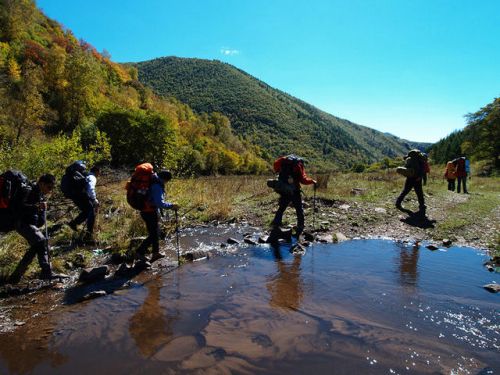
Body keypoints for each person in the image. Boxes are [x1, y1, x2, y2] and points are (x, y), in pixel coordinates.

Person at [5, 174, 63, 283]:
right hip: (21, 223)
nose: (50, 190)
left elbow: (38, 216)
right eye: (49, 187)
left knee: (35, 248)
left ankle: (14, 278)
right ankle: (47, 272)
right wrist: (37, 207)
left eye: (52, 188)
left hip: (29, 224)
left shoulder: (39, 194)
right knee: (42, 242)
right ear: (41, 183)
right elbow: (18, 208)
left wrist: (41, 212)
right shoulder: (27, 190)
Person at [136, 169, 178, 262]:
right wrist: (172, 206)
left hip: (146, 211)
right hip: (149, 212)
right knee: (154, 234)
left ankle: (155, 253)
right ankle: (139, 252)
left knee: (155, 233)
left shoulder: (153, 182)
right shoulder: (157, 186)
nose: (166, 183)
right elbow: (159, 203)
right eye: (167, 181)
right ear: (165, 179)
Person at [270, 154, 316, 239]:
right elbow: (303, 180)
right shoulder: (298, 164)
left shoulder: (282, 160)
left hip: (284, 188)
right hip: (295, 190)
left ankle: (276, 225)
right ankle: (300, 227)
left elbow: (275, 167)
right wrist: (312, 181)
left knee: (282, 207)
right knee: (299, 208)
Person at [67, 164, 100, 241]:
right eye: (99, 172)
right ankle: (89, 233)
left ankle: (74, 223)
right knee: (91, 210)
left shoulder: (85, 175)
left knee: (86, 211)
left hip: (75, 196)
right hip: (81, 196)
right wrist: (94, 200)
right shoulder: (92, 177)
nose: (99, 174)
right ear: (96, 171)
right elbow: (90, 189)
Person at [395, 150, 426, 215]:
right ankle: (422, 205)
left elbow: (406, 168)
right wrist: (420, 177)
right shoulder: (421, 159)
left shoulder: (409, 160)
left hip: (410, 179)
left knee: (405, 191)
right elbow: (423, 169)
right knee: (419, 192)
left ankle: (398, 203)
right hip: (418, 179)